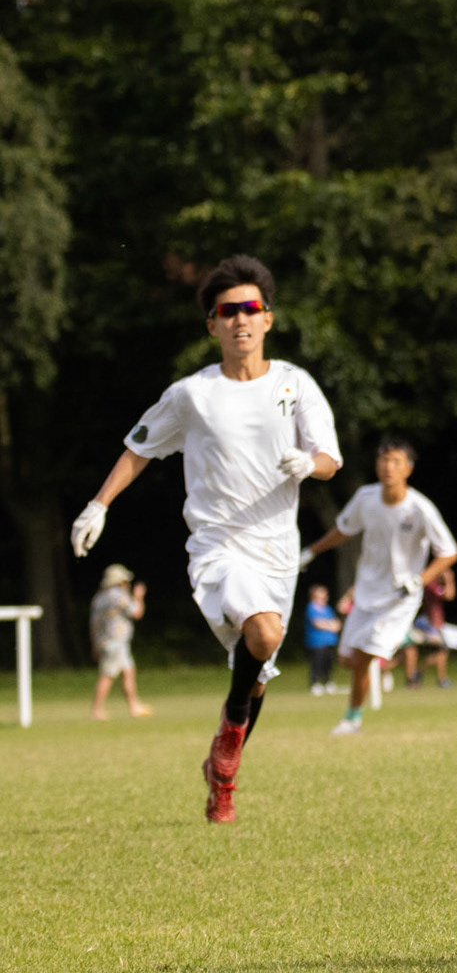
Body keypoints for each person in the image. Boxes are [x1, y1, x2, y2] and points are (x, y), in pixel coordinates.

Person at [69, 254, 340, 822]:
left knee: (257, 670)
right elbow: (139, 448)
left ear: (268, 318)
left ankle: (223, 772)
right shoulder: (192, 394)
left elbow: (330, 459)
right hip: (218, 546)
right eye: (228, 311)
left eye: (251, 308)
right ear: (212, 325)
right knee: (264, 633)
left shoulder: (295, 384)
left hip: (276, 550)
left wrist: (307, 464)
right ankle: (230, 739)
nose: (241, 319)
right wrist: (98, 504)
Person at [302, 437, 457, 735]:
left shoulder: (420, 508)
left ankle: (352, 719)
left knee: (363, 655)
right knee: (349, 660)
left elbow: (449, 552)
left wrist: (419, 580)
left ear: (408, 469)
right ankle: (398, 644)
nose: (388, 467)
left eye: (396, 461)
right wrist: (311, 552)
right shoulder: (365, 497)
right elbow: (343, 530)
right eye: (384, 460)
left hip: (400, 598)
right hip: (366, 593)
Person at [89, 565, 152, 720]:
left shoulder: (100, 597)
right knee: (107, 675)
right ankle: (97, 710)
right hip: (116, 641)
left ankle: (134, 706)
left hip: (105, 640)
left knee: (128, 672)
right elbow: (136, 612)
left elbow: (94, 624)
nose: (127, 584)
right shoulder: (117, 595)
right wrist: (138, 596)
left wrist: (94, 644)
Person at [403, 569, 455, 688]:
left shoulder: (436, 585)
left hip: (434, 625)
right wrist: (449, 580)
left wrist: (449, 581)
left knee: (442, 650)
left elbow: (451, 594)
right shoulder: (431, 585)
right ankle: (429, 676)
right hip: (428, 625)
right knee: (441, 649)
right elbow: (449, 595)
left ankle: (428, 675)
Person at [304, 584, 341, 695]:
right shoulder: (311, 608)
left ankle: (327, 682)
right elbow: (317, 623)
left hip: (329, 641)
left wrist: (327, 624)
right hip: (317, 642)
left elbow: (336, 624)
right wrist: (329, 625)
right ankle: (315, 683)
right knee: (317, 663)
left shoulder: (327, 609)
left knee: (328, 663)